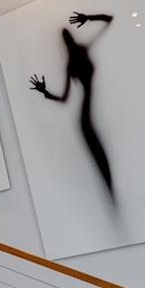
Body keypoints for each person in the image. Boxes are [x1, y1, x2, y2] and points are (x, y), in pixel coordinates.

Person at [30, 12, 115, 199]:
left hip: (85, 117)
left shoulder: (74, 61)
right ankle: (111, 196)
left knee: (100, 158)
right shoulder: (79, 56)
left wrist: (45, 92)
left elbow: (63, 98)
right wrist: (44, 92)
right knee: (100, 158)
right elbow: (64, 98)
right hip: (85, 118)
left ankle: (111, 196)